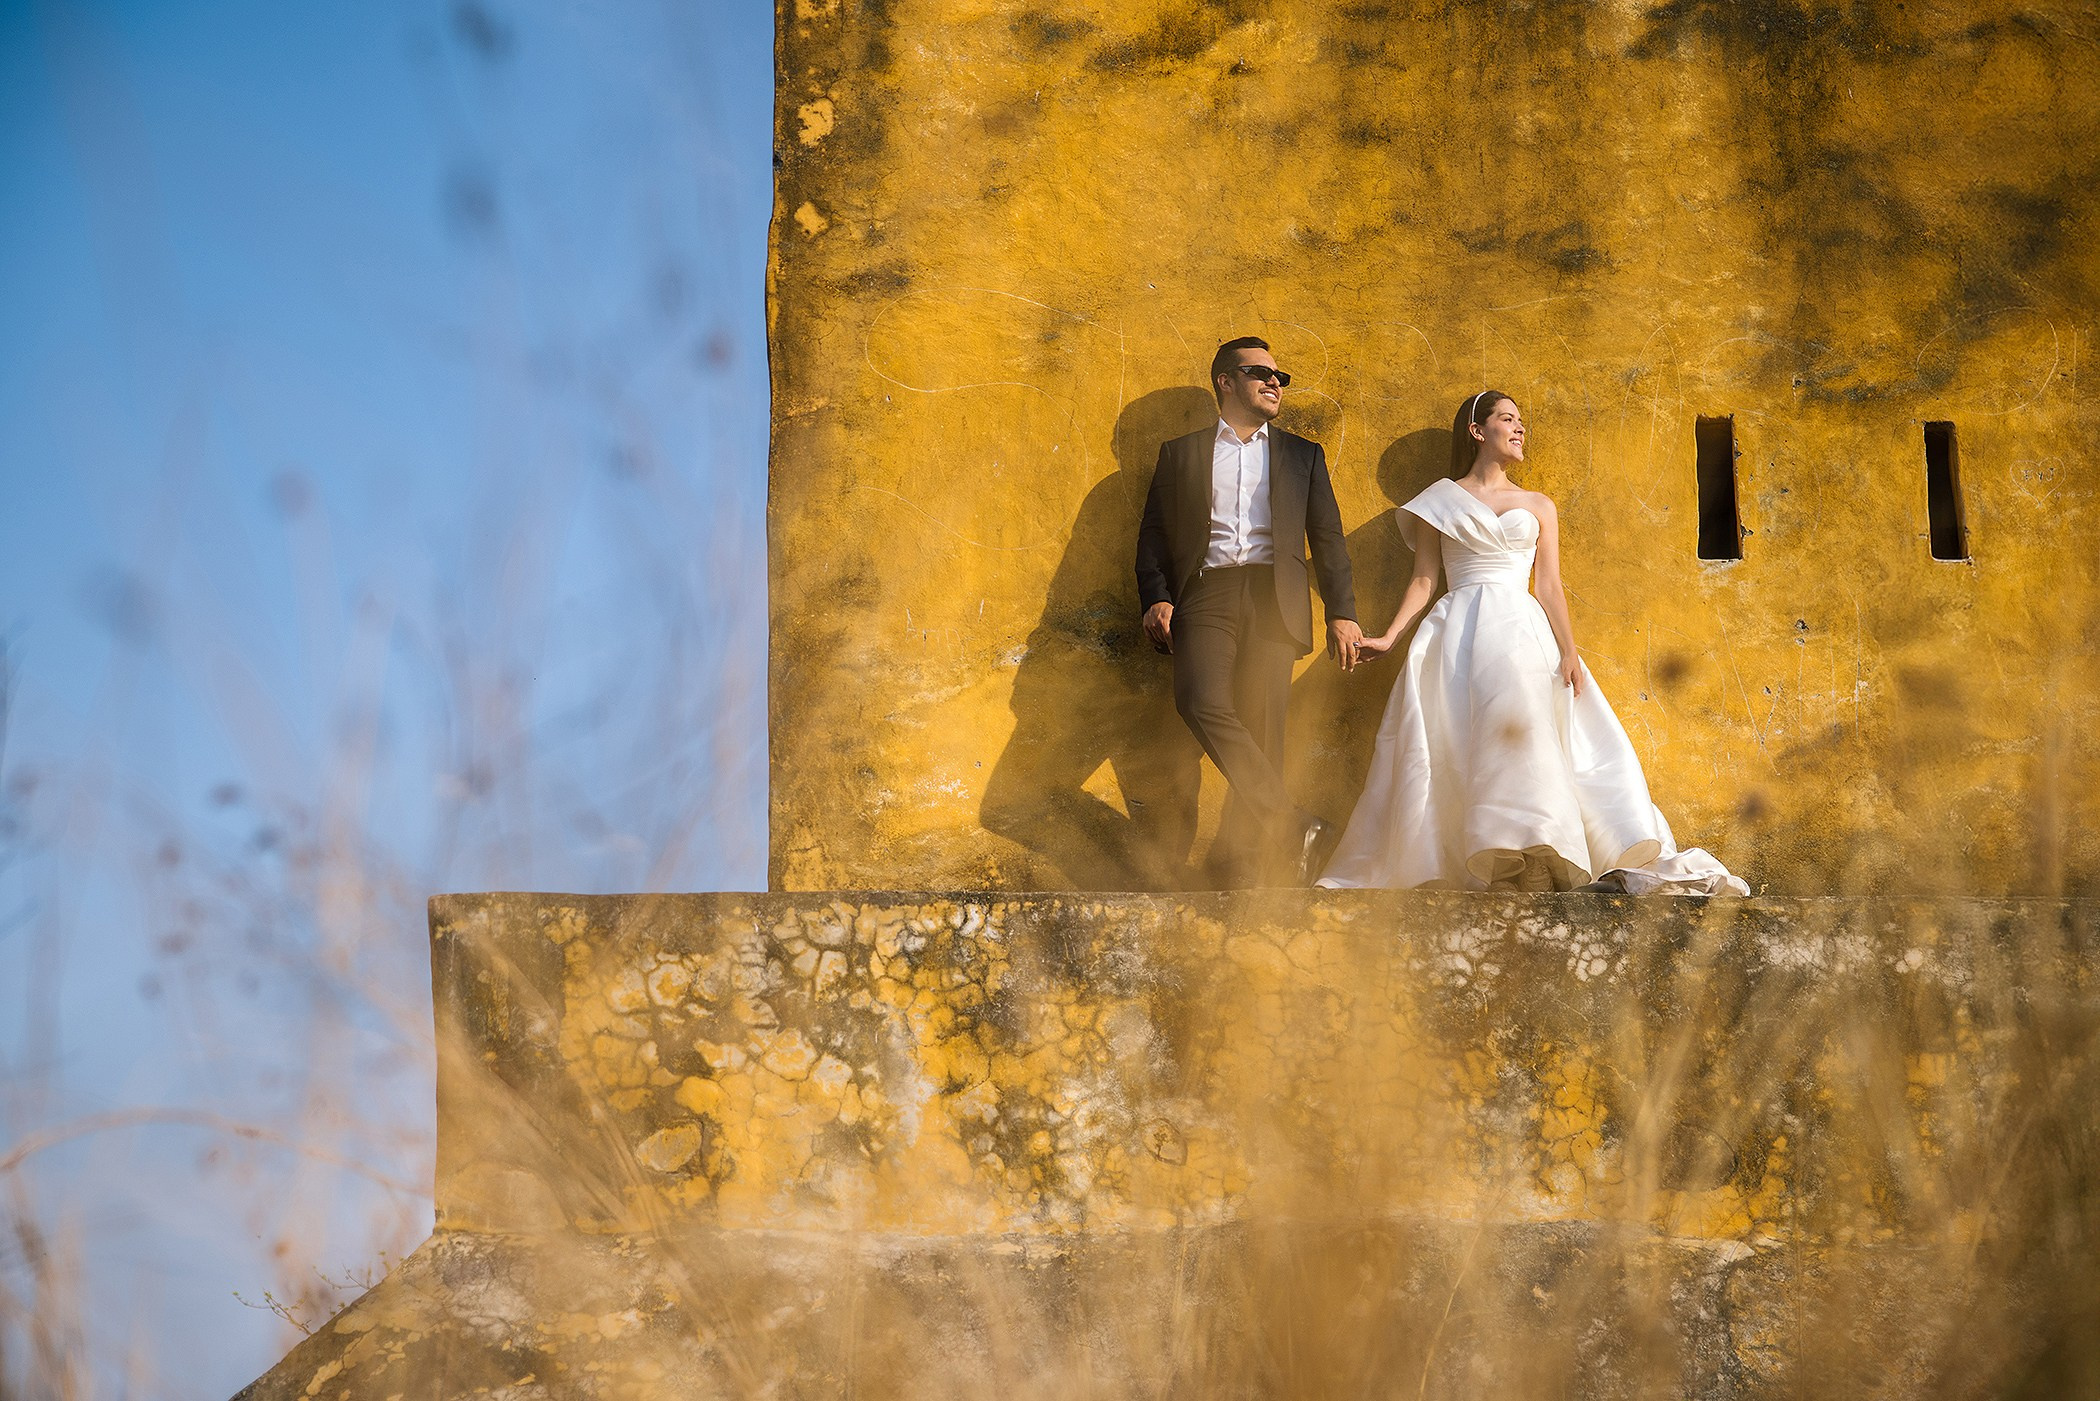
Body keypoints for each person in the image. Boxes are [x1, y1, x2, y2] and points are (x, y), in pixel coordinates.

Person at [1317, 390, 1747, 894]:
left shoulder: (1538, 504)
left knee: (1523, 731)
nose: (1520, 429)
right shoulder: (1439, 500)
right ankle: (1482, 858)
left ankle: (1537, 851)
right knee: (1456, 737)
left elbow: (1547, 584)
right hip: (1457, 630)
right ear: (1478, 431)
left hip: (1521, 629)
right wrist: (1390, 637)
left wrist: (1569, 650)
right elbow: (1423, 580)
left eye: (1522, 421)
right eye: (1507, 419)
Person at [1136, 336, 1362, 886]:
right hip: (1206, 593)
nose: (1274, 383)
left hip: (1273, 596)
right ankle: (1291, 825)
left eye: (1279, 377)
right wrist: (1157, 596)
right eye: (1260, 373)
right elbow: (1153, 535)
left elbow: (1327, 537)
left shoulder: (1301, 455)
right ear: (1225, 381)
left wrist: (1342, 611)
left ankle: (1242, 869)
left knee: (1263, 733)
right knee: (1198, 699)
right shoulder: (1181, 452)